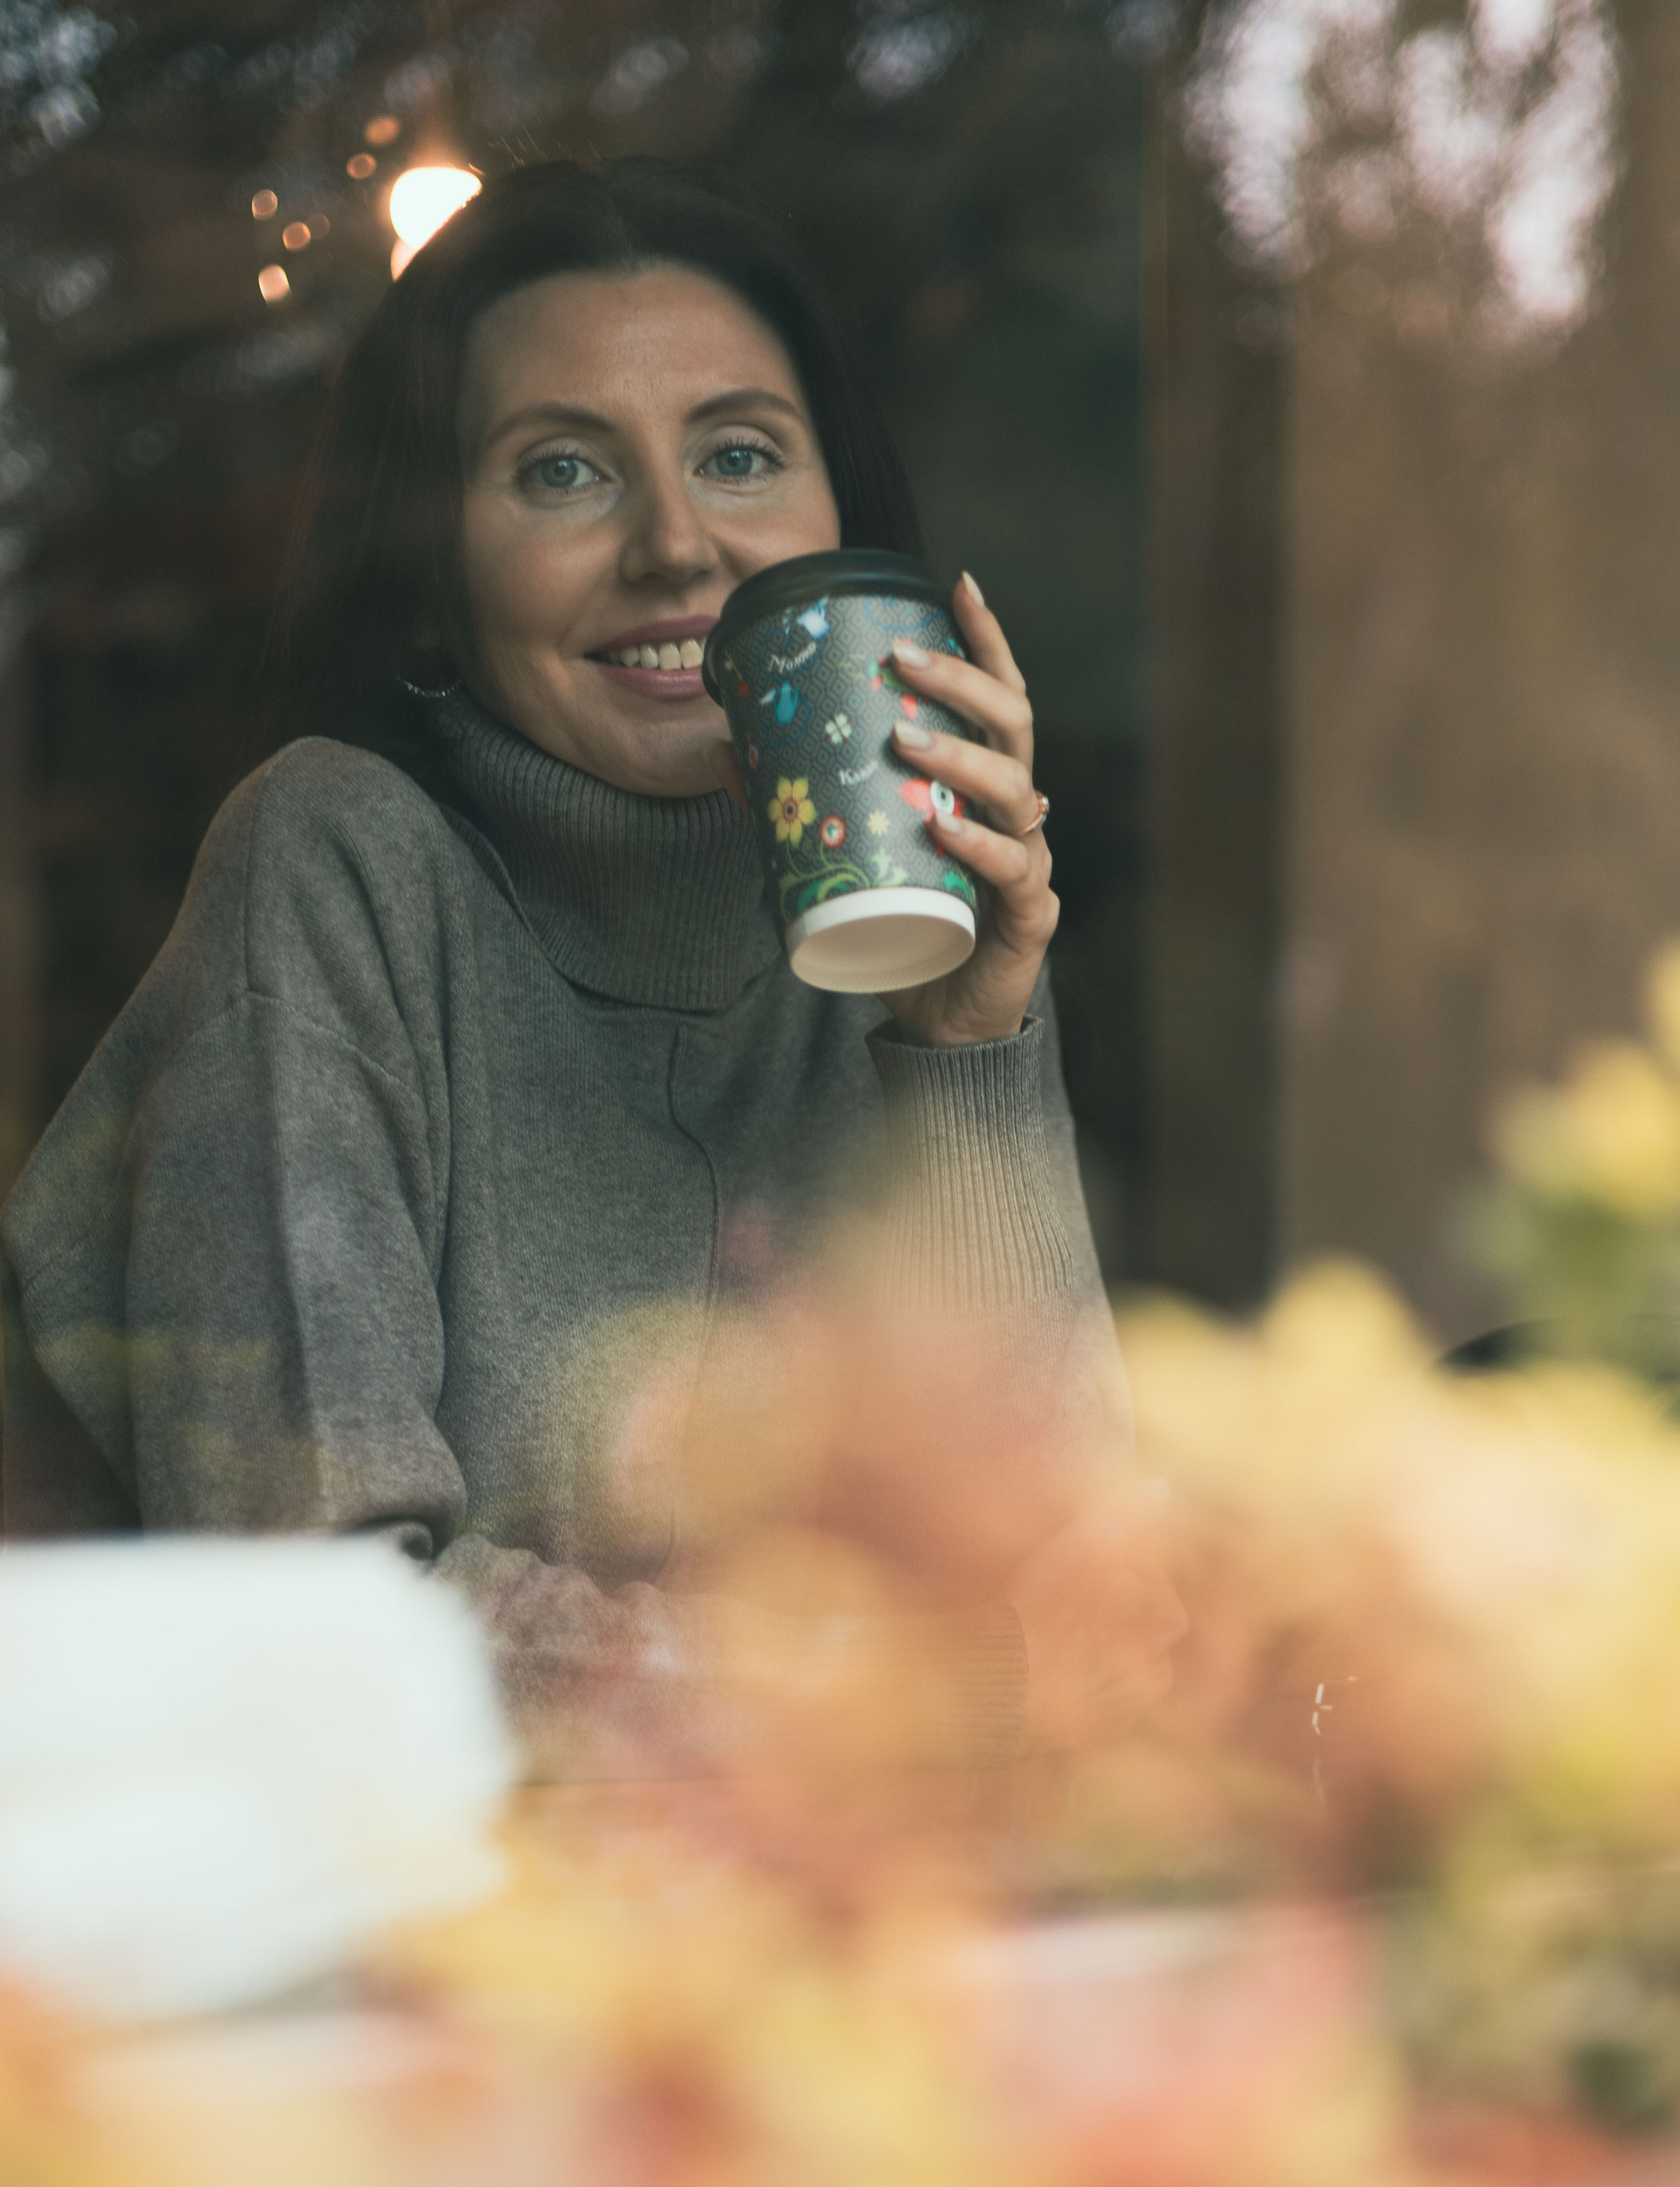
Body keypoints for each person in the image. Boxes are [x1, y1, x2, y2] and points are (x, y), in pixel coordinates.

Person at [0, 160, 1182, 1759]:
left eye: (742, 453)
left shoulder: (886, 945)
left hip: (822, 1944)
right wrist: (887, 1696)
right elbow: (325, 1622)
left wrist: (972, 1045)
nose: (677, 547)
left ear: (846, 532)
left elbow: (1082, 1608)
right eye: (562, 471)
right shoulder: (335, 864)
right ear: (435, 571)